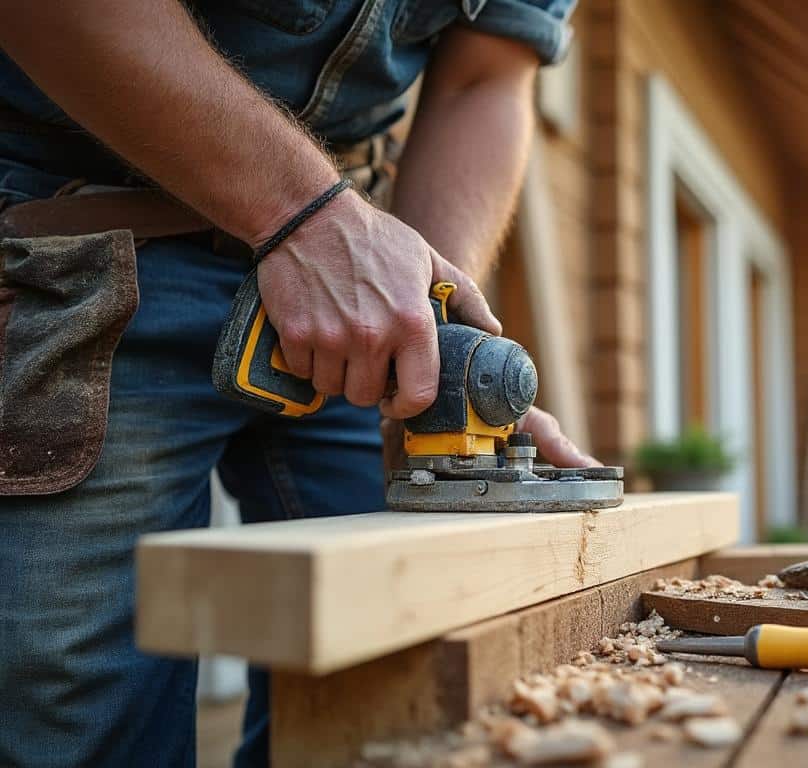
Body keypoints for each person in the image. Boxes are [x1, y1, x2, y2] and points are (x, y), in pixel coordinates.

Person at [0, 2, 593, 765]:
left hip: (351, 275)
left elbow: (484, 78)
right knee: (78, 724)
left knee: (380, 679)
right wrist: (302, 211)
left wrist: (429, 350)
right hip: (74, 230)